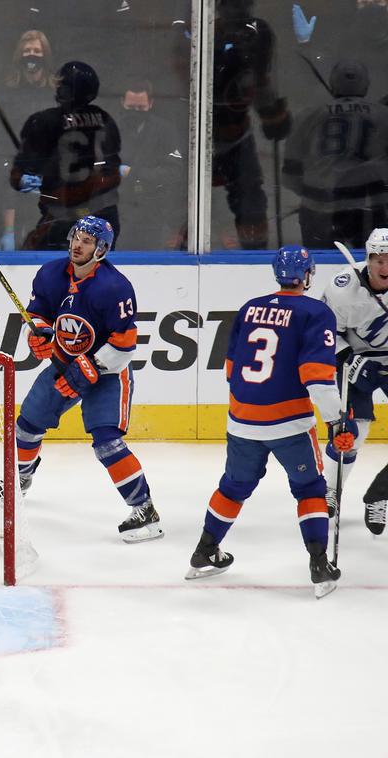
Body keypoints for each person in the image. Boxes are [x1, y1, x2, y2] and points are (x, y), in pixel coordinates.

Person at [185, 246, 350, 599]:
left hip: (242, 419)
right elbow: (317, 377)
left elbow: (231, 369)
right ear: (307, 275)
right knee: (310, 489)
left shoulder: (250, 307)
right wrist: (337, 419)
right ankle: (319, 564)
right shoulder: (315, 312)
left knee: (232, 487)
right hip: (289, 423)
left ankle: (204, 551)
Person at [14, 215, 160, 542]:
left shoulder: (115, 288)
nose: (78, 245)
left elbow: (124, 345)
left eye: (87, 241)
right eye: (76, 237)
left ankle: (145, 509)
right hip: (65, 363)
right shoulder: (51, 274)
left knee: (107, 442)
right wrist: (38, 333)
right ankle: (20, 480)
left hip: (108, 373)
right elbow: (39, 314)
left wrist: (91, 366)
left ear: (101, 249)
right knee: (26, 425)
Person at [317, 227, 388, 531]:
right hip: (357, 361)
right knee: (353, 433)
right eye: (379, 259)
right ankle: (331, 491)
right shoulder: (343, 288)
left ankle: (379, 495)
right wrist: (348, 357)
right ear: (368, 259)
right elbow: (322, 332)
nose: (385, 267)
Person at [10, 61, 123, 251]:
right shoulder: (105, 119)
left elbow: (21, 171)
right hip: (103, 215)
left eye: (61, 84)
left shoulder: (43, 122)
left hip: (60, 217)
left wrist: (21, 178)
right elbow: (112, 170)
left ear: (66, 90)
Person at [282, 59, 388, 249]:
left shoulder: (308, 116)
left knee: (318, 268)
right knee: (371, 265)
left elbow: (290, 174)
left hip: (319, 210)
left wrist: (314, 193)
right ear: (366, 84)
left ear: (333, 83)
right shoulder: (383, 115)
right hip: (370, 208)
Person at [211, 0, 291, 249]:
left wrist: (272, 115)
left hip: (237, 136)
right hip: (198, 138)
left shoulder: (257, 33)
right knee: (185, 199)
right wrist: (272, 116)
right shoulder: (205, 32)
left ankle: (254, 255)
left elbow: (260, 80)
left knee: (251, 203)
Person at [0, 30, 58, 252]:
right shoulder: (8, 93)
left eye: (36, 51)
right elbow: (3, 145)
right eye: (27, 51)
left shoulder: (57, 93)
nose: (32, 56)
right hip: (18, 183)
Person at [115, 79, 189, 250]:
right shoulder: (111, 129)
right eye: (131, 108)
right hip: (119, 213)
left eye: (140, 108)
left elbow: (174, 172)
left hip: (154, 215)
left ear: (151, 104)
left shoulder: (165, 131)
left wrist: (133, 173)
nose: (135, 112)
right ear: (122, 103)